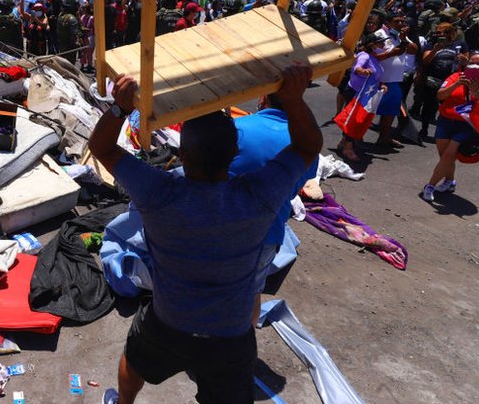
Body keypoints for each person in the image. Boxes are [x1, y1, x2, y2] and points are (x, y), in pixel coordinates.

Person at [91, 65, 321, 404]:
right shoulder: (259, 195)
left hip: (168, 320)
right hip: (231, 332)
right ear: (233, 154)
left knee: (135, 359)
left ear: (182, 155)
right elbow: (307, 146)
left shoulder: (159, 191)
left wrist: (120, 108)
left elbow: (103, 148)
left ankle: (122, 403)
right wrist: (293, 100)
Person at [230, 93, 318, 327]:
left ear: (264, 99)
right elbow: (299, 184)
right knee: (251, 292)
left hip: (223, 227)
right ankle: (241, 346)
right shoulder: (306, 143)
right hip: (268, 234)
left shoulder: (237, 127)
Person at [422, 52, 479, 201]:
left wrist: (476, 92)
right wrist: (457, 84)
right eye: (472, 63)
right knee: (445, 157)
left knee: (449, 155)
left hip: (469, 125)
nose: (475, 66)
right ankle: (450, 181)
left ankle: (430, 185)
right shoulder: (456, 76)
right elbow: (440, 95)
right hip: (446, 121)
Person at [337, 29, 385, 161]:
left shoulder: (374, 57)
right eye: (379, 43)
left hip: (364, 94)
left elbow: (376, 76)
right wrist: (363, 71)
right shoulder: (364, 55)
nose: (383, 46)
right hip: (356, 93)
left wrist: (381, 85)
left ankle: (343, 142)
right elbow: (357, 67)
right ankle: (348, 148)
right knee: (354, 120)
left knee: (355, 120)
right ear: (372, 45)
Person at [373, 14, 419, 147]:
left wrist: (404, 39)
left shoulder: (400, 36)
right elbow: (371, 56)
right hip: (379, 81)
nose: (400, 23)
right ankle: (352, 141)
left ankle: (384, 137)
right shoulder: (379, 34)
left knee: (390, 111)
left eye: (402, 21)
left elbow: (413, 50)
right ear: (388, 22)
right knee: (368, 112)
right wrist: (391, 53)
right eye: (396, 21)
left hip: (394, 81)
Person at [417, 22, 468, 140]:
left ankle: (444, 131)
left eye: (443, 32)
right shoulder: (431, 44)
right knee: (428, 106)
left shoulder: (459, 44)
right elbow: (425, 61)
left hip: (451, 81)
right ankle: (424, 129)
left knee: (448, 106)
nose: (440, 35)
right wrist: (435, 50)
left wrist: (463, 59)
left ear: (450, 33)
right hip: (432, 80)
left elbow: (467, 61)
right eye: (438, 32)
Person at [57, 0, 83, 66]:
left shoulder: (61, 16)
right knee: (70, 68)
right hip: (70, 49)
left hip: (62, 47)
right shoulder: (72, 19)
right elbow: (75, 36)